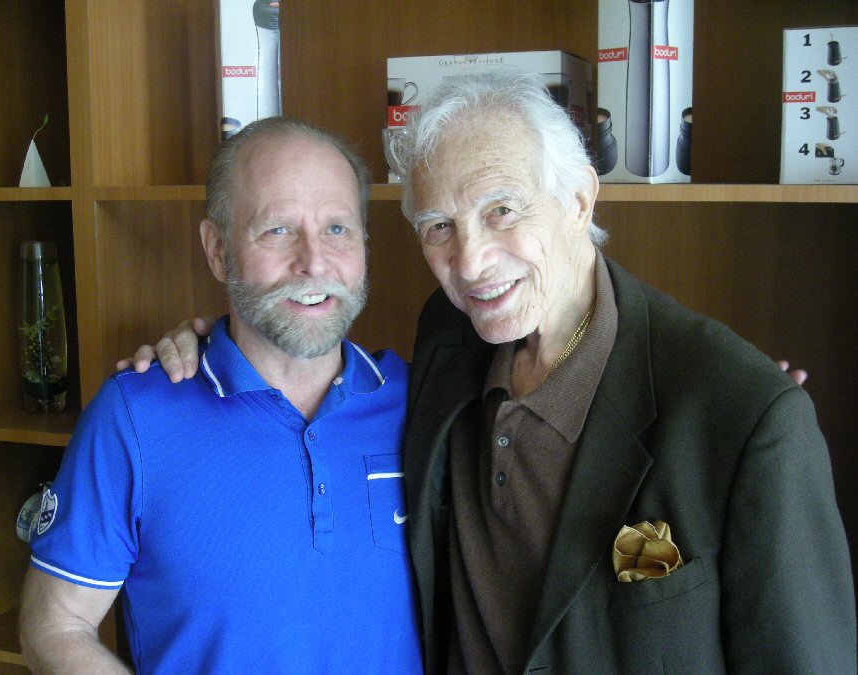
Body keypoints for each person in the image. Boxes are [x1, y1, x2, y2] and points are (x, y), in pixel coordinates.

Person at [128, 72, 855, 673]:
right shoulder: (451, 340)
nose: (470, 261)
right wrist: (208, 344)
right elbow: (295, 349)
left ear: (579, 199)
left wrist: (750, 405)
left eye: (502, 209)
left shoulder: (742, 416)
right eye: (438, 226)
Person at [18, 118, 422, 674]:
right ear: (217, 249)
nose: (313, 262)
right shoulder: (134, 417)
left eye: (337, 228)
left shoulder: (422, 401)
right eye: (277, 230)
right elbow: (54, 624)